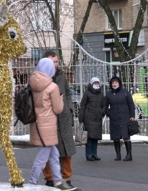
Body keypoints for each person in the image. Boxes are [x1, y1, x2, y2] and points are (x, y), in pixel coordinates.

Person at [28, 58, 77, 191]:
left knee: (54, 155)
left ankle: (58, 181)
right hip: (49, 126)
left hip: (37, 124)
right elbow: (57, 109)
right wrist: (60, 100)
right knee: (41, 158)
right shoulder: (52, 86)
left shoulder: (33, 83)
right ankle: (31, 183)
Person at [41, 50, 77, 188]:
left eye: (56, 61)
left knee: (67, 149)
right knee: (48, 150)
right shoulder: (40, 77)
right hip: (48, 118)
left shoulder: (61, 76)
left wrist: (68, 108)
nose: (55, 64)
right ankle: (49, 178)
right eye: (52, 62)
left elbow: (68, 92)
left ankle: (66, 178)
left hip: (63, 117)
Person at [105, 76, 135, 161]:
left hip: (125, 117)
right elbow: (105, 106)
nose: (114, 84)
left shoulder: (125, 92)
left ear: (119, 83)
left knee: (126, 136)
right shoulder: (109, 94)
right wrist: (109, 114)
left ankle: (129, 155)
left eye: (116, 83)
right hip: (114, 118)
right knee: (116, 137)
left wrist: (132, 116)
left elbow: (131, 104)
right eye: (113, 83)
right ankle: (118, 155)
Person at [79, 77, 106, 161]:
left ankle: (94, 154)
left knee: (96, 137)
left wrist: (102, 112)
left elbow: (104, 105)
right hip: (88, 118)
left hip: (97, 118)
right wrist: (81, 118)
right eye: (95, 83)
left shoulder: (101, 94)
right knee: (89, 137)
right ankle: (89, 154)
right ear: (91, 84)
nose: (96, 85)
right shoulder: (87, 93)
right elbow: (82, 106)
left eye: (97, 83)